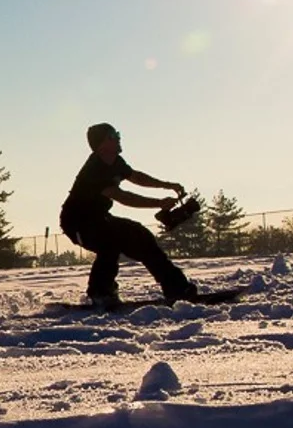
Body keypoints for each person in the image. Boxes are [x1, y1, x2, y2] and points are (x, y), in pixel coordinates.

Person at [59, 123, 197, 308]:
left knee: (141, 235)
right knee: (110, 242)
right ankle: (101, 293)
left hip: (99, 217)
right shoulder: (94, 170)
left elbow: (136, 177)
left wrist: (167, 185)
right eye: (113, 135)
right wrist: (158, 203)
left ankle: (177, 288)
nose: (118, 137)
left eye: (117, 133)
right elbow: (123, 197)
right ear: (102, 144)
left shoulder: (116, 161)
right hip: (77, 223)